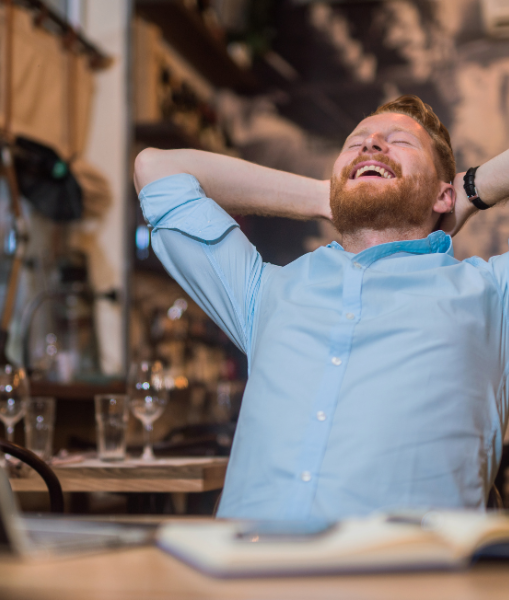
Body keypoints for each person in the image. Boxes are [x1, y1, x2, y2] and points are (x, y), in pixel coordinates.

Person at [134, 95, 509, 522]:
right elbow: (155, 170)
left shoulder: (490, 293)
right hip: (241, 577)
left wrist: (471, 190)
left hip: (406, 580)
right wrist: (327, 194)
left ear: (445, 195)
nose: (371, 145)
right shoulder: (265, 292)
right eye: (356, 143)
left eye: (400, 141)